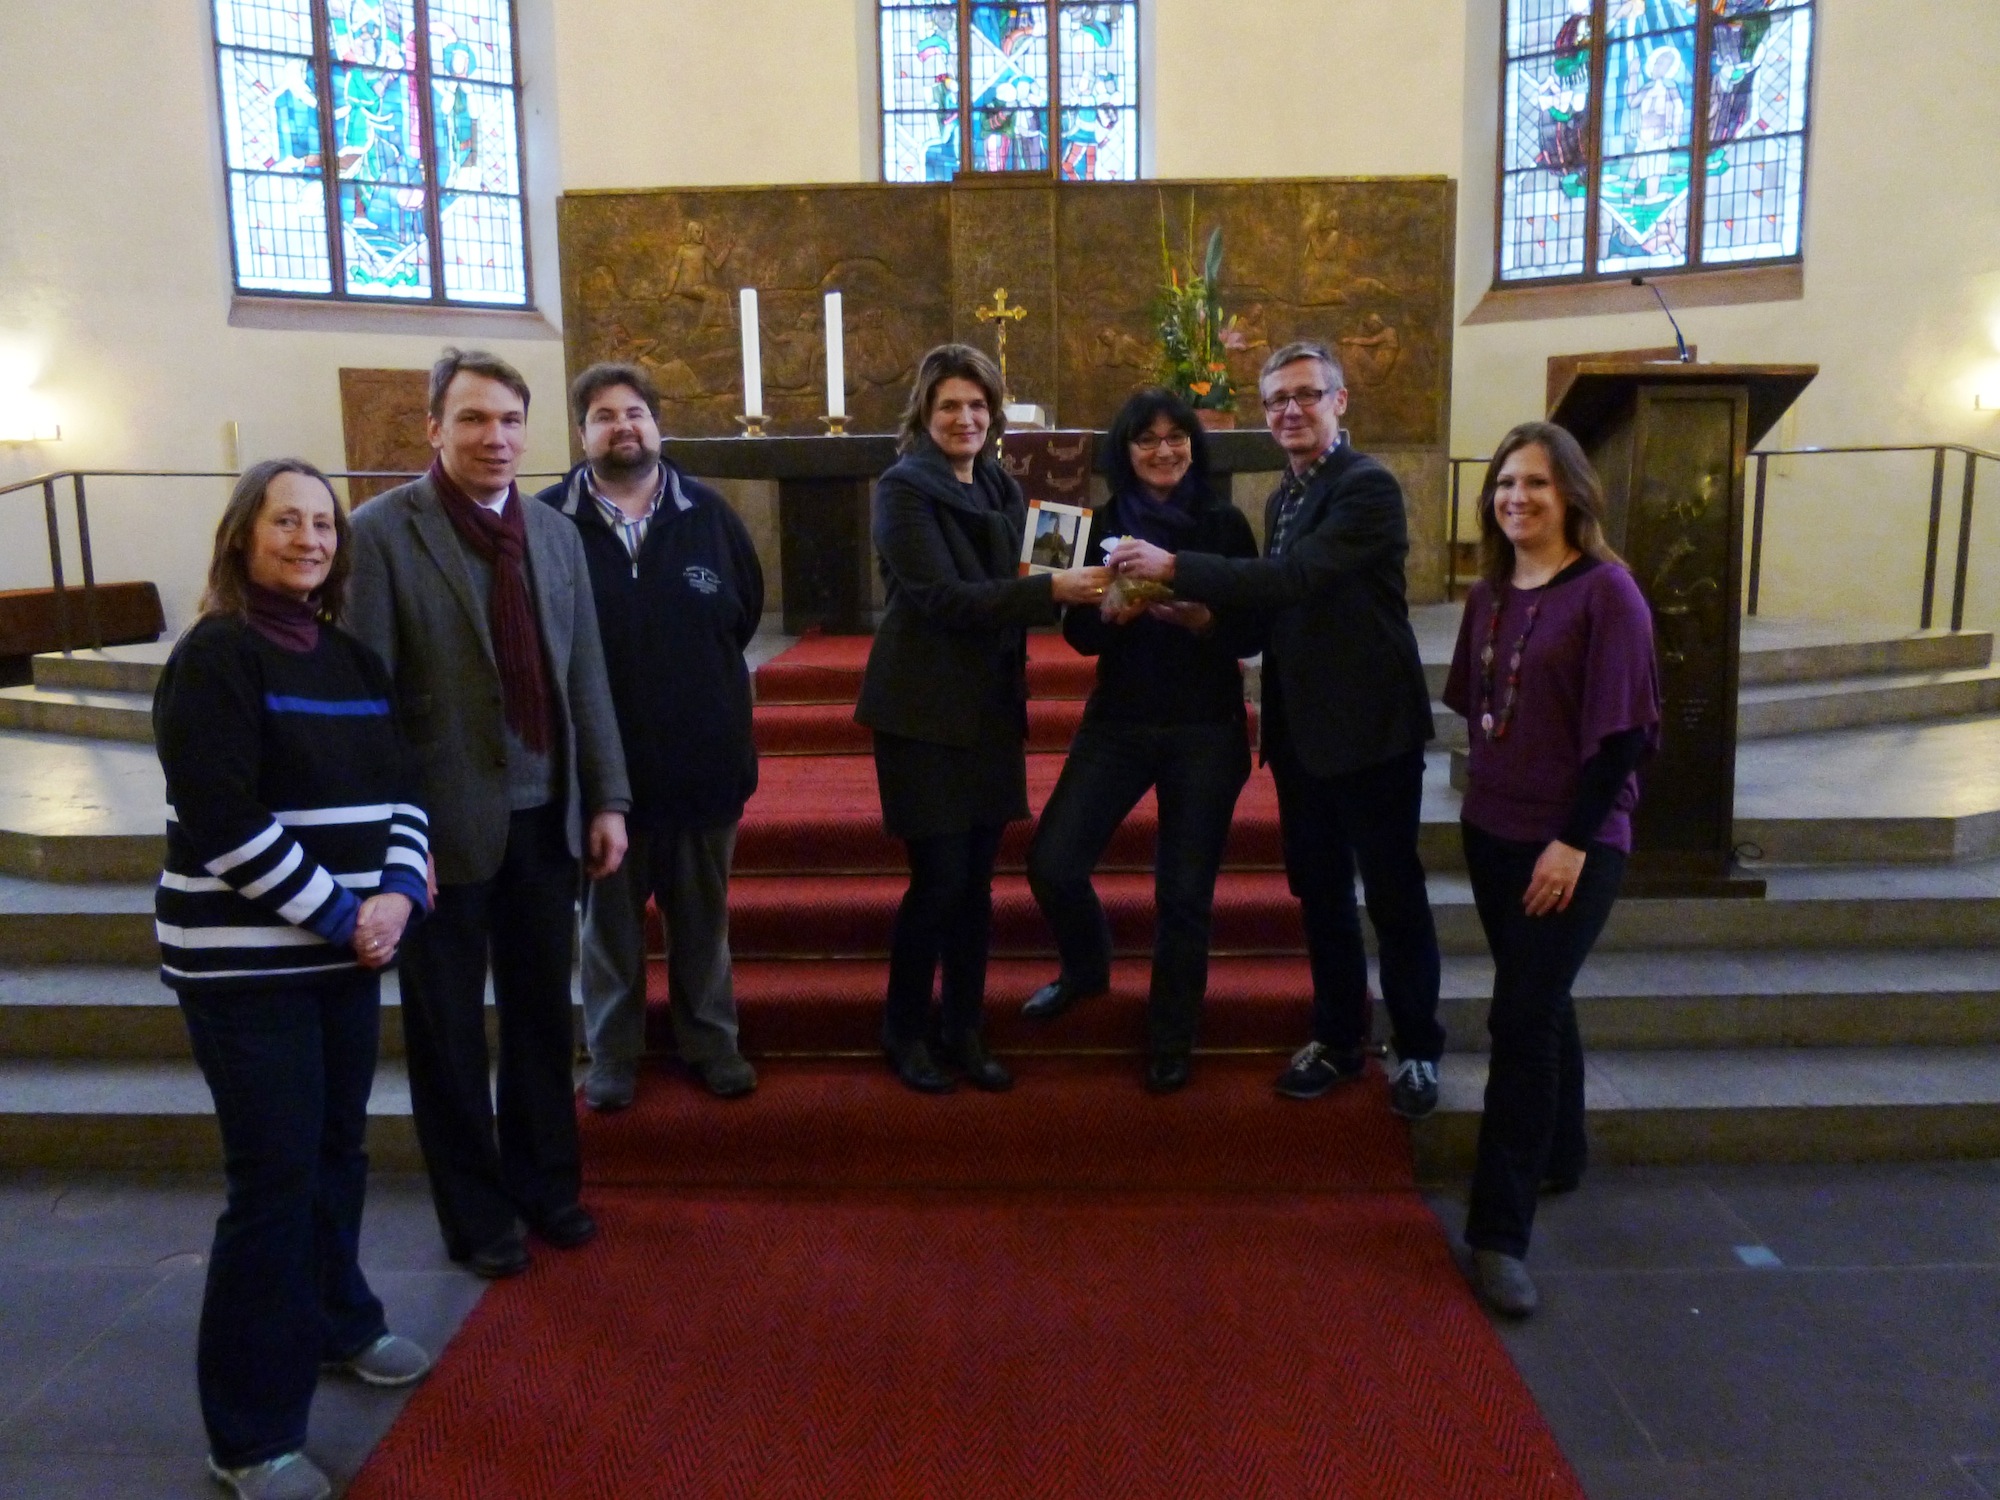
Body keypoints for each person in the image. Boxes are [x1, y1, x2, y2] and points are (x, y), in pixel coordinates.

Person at [155, 459, 433, 1500]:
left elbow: (404, 791)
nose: (309, 539)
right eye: (286, 521)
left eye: (322, 524)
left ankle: (335, 1320)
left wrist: (398, 894)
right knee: (272, 1186)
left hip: (343, 957)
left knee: (336, 1153)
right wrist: (343, 915)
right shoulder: (215, 656)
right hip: (246, 969)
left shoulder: (351, 657)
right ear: (243, 536)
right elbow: (222, 818)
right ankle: (249, 1437)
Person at [346, 348, 632, 1280]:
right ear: (434, 427)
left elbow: (585, 673)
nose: (494, 437)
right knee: (449, 1036)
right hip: (439, 830)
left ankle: (547, 1187)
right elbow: (369, 704)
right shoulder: (381, 534)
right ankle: (476, 1217)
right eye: (472, 418)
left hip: (547, 817)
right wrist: (395, 841)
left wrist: (607, 798)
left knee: (545, 1016)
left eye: (510, 420)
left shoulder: (552, 532)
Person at [1108, 341, 1447, 1118]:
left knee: (1392, 895)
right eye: (1276, 401)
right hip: (1300, 733)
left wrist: (1174, 566)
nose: (1290, 411)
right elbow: (1272, 611)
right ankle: (1338, 1039)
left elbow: (1295, 578)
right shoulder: (1283, 497)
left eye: (1306, 395)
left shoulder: (1366, 486)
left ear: (1340, 401)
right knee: (1320, 894)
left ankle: (1418, 1049)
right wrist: (1204, 620)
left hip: (1371, 728)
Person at [1442, 421, 1660, 1318]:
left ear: (1571, 491)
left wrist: (1571, 842)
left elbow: (1623, 740)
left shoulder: (1609, 593)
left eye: (1534, 482)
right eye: (1504, 483)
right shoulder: (1489, 593)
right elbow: (1480, 708)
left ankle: (1499, 1234)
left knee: (1521, 1017)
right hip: (1493, 833)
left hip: (1573, 842)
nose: (1517, 497)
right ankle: (1561, 1150)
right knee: (1541, 995)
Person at [854, 343, 1110, 1094]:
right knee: (938, 881)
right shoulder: (903, 488)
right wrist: (1055, 589)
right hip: (924, 711)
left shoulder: (997, 480)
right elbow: (943, 598)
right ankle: (904, 1031)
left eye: (976, 405)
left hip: (990, 708)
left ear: (993, 414)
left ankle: (963, 1029)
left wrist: (1104, 561)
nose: (964, 418)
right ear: (924, 413)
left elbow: (1039, 558)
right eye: (949, 406)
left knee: (975, 887)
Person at [1021, 388, 1265, 1092]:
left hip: (1206, 728)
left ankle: (1170, 1035)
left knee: (1184, 896)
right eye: (1147, 439)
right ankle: (1086, 968)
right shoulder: (1090, 522)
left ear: (1193, 445)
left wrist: (1203, 621)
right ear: (1124, 451)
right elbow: (1075, 636)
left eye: (1176, 437)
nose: (1164, 450)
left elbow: (1254, 630)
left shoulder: (1223, 523)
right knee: (1053, 862)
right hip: (1119, 722)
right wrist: (1108, 614)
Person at [536, 362, 763, 1111]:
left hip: (703, 763)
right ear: (582, 433)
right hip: (599, 776)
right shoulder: (546, 521)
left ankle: (711, 1042)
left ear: (656, 425)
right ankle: (613, 1053)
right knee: (608, 931)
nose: (622, 427)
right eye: (604, 416)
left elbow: (742, 614)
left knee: (702, 923)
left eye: (635, 413)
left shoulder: (710, 514)